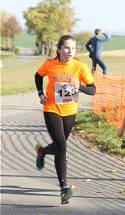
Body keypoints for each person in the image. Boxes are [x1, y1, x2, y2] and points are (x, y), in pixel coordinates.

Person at [34, 35, 96, 204]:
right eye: (67, 48)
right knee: (62, 145)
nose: (70, 51)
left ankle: (42, 151)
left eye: (73, 48)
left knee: (59, 146)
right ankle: (64, 188)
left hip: (70, 111)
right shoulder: (50, 65)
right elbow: (38, 76)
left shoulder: (80, 67)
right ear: (59, 49)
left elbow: (93, 90)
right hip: (51, 109)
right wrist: (41, 93)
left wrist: (80, 86)